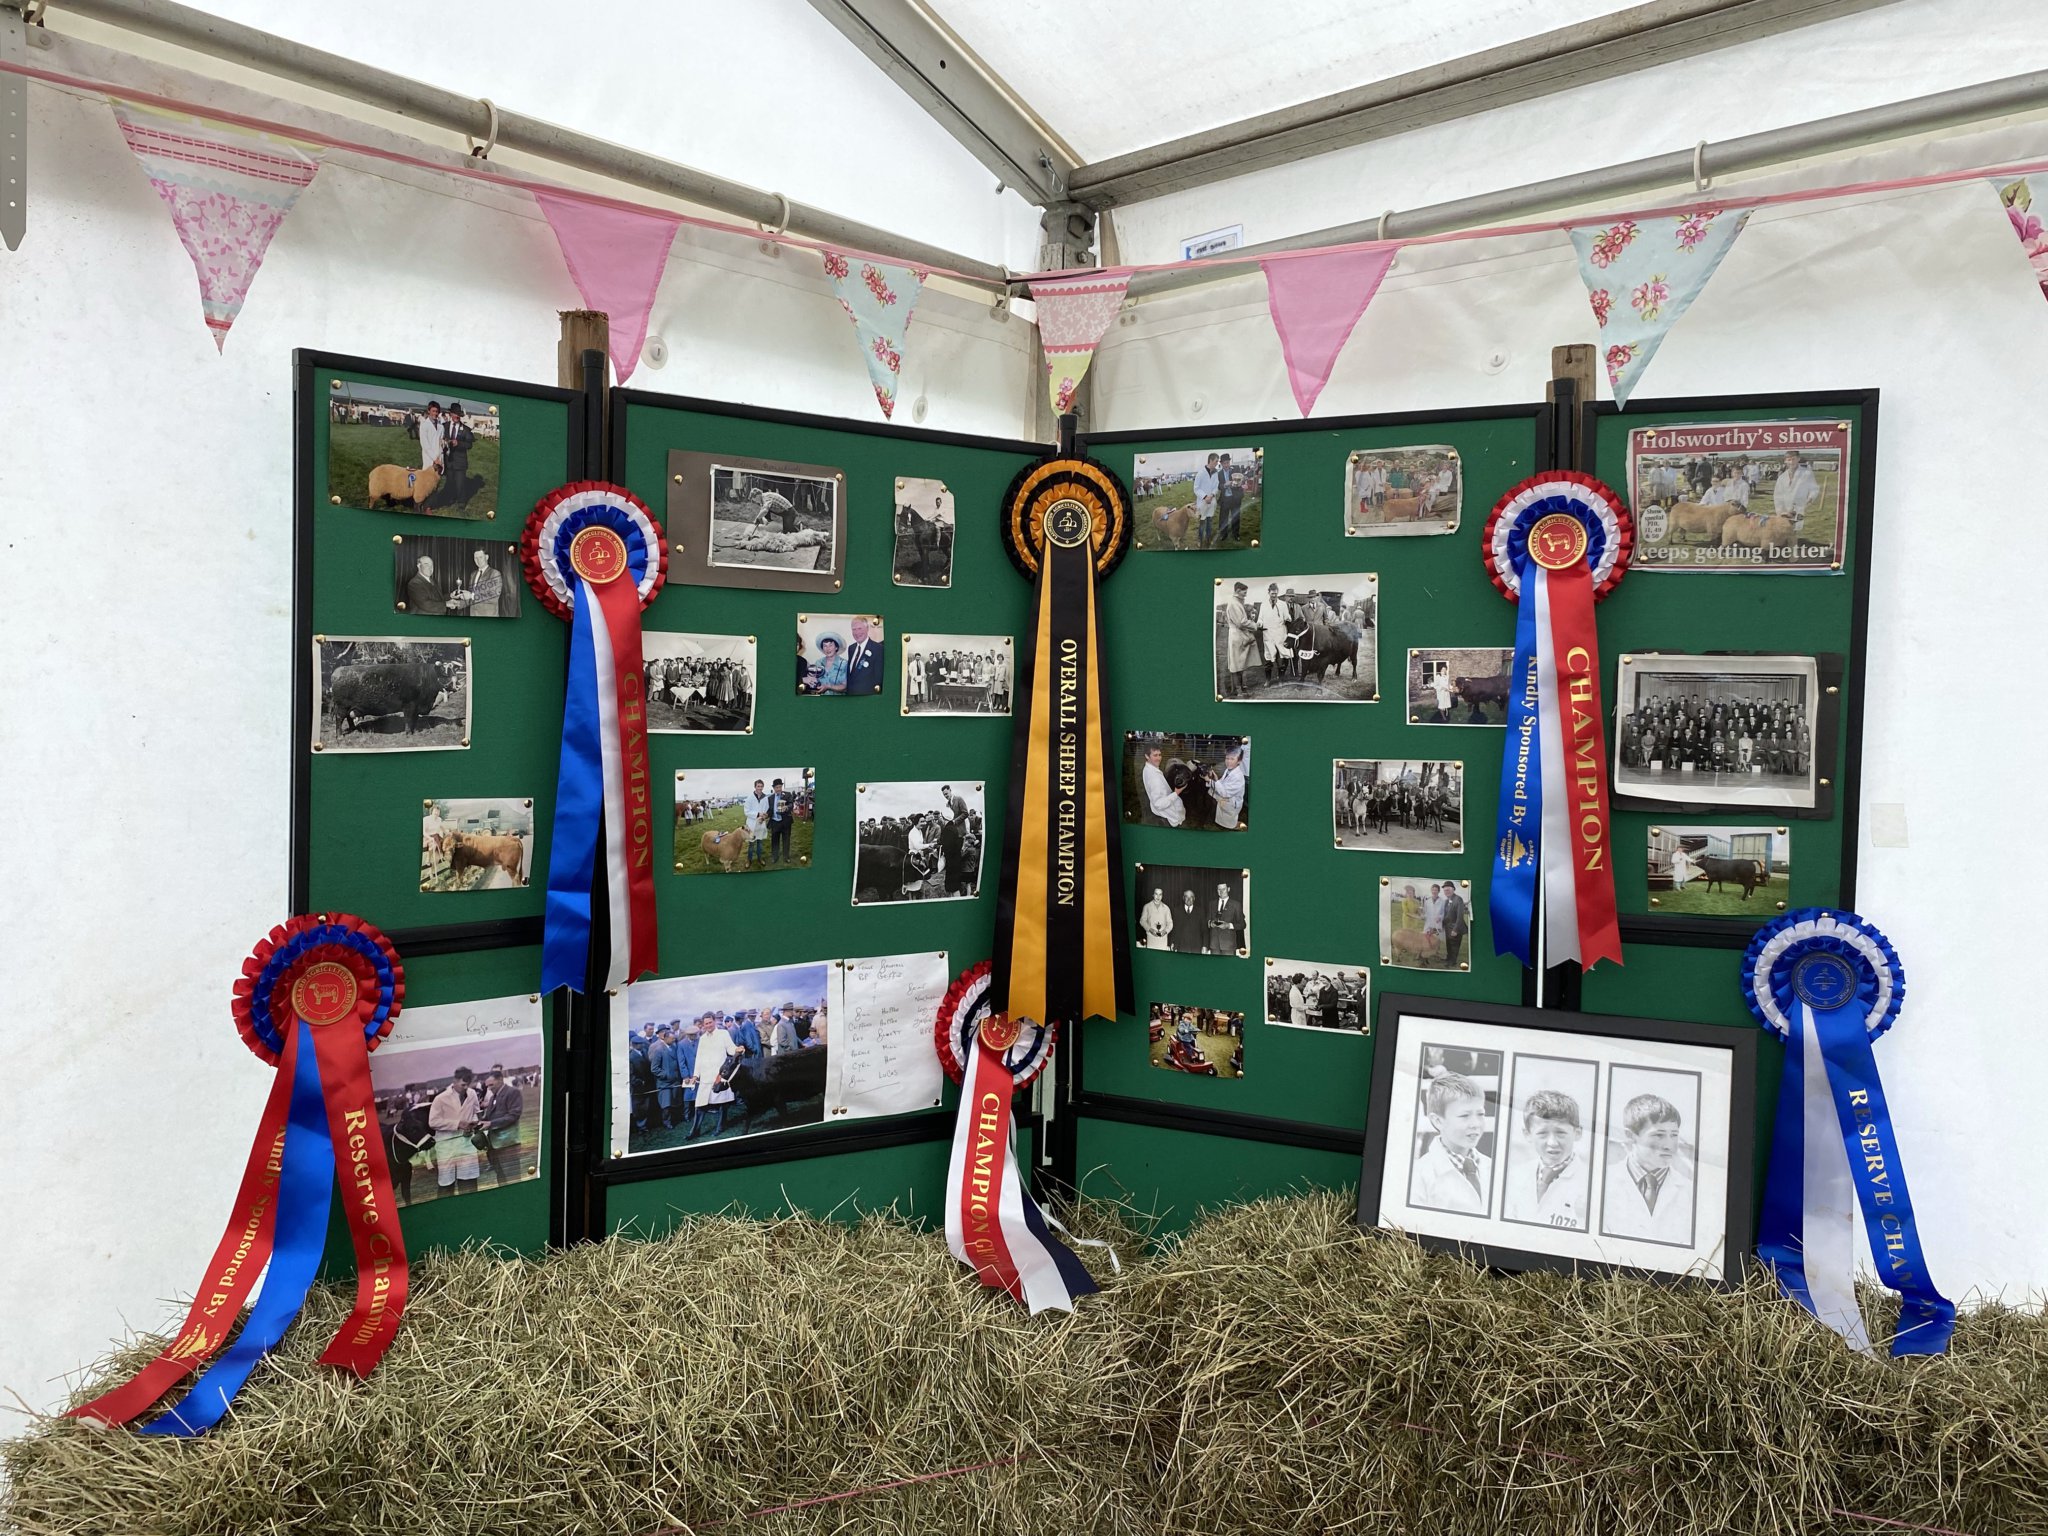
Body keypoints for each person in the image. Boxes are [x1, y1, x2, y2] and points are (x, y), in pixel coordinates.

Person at [1603, 1093, 1695, 1245]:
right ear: (1631, 1136)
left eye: (1674, 1135)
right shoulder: (1602, 1183)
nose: (1668, 1145)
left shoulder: (1690, 1191)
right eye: (1658, 1135)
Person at [1502, 1089, 1588, 1229]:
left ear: (1577, 1133)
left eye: (1561, 1133)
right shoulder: (1513, 1176)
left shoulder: (1589, 1183)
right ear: (1528, 1134)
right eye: (1542, 1133)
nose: (1552, 1143)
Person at [1408, 1073, 1492, 1214]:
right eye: (1464, 1116)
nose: (1475, 1124)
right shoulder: (1419, 1176)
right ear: (1438, 1121)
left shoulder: (1492, 1167)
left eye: (1480, 1114)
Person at [428, 1066, 481, 1196]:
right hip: (447, 1146)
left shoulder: (472, 1094)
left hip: (467, 1143)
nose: (465, 1088)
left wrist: (472, 1124)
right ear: (455, 1080)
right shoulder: (440, 1098)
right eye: (463, 1084)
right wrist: (457, 1124)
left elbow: (475, 1112)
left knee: (469, 1183)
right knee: (446, 1184)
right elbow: (433, 1122)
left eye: (468, 1085)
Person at [686, 1015, 741, 1139]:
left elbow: (731, 1049)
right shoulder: (702, 1038)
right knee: (700, 1104)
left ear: (714, 1022)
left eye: (710, 1022)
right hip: (705, 1076)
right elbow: (699, 1058)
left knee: (722, 1103)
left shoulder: (723, 1034)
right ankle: (695, 1131)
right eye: (706, 1024)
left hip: (719, 1075)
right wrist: (695, 1075)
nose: (708, 1025)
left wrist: (737, 1049)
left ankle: (720, 1127)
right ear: (703, 1025)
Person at [479, 1068, 524, 1187]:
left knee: (513, 1179)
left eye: (491, 1085)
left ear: (500, 1079)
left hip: (507, 1144)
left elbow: (514, 1115)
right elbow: (488, 1117)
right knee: (502, 1179)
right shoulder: (493, 1097)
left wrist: (491, 1124)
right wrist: (477, 1123)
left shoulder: (512, 1092)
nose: (489, 1088)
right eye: (487, 1086)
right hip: (494, 1146)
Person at [1222, 583, 1259, 697]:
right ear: (1238, 590)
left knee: (1239, 664)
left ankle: (1241, 689)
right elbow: (1241, 622)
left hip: (1239, 636)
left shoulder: (1237, 603)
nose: (1245, 594)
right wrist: (1254, 625)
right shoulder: (1234, 604)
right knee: (1236, 665)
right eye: (1244, 592)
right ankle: (1238, 691)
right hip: (1237, 637)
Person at [434, 401, 474, 508]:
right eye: (455, 413)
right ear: (450, 414)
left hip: (460, 462)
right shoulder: (443, 426)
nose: (457, 416)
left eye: (459, 414)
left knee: (460, 483)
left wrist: (459, 443)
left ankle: (461, 501)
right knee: (449, 482)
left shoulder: (465, 430)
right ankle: (450, 499)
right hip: (448, 461)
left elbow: (469, 444)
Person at [448, 546, 504, 617]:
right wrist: (457, 603)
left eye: (480, 557)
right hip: (474, 616)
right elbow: (472, 599)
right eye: (475, 558)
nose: (478, 560)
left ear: (486, 557)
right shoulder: (473, 574)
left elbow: (494, 597)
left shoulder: (495, 573)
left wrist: (471, 595)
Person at [1140, 744, 1187, 827]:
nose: (1159, 758)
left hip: (1164, 812)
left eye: (1159, 755)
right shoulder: (1154, 778)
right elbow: (1158, 804)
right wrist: (1176, 793)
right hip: (1169, 818)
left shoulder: (1148, 768)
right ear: (1147, 756)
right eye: (1155, 755)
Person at [1772, 449, 1821, 526]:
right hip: (1784, 510)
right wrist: (1780, 512)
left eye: (1793, 459)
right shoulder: (1782, 477)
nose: (1791, 462)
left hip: (1799, 508)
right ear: (1785, 461)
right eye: (1789, 460)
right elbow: (1777, 495)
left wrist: (1810, 498)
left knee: (1796, 529)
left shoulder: (1807, 474)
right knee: (1784, 530)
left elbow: (1814, 489)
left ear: (1798, 459)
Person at [1257, 584, 1291, 683]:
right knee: (1268, 658)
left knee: (1281, 658)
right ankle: (1268, 680)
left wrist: (1288, 618)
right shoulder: (1263, 605)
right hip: (1268, 634)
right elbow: (1260, 618)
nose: (1274, 596)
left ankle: (1280, 679)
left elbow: (1287, 616)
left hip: (1280, 634)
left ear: (1278, 593)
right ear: (1268, 593)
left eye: (1275, 594)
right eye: (1272, 594)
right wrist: (1260, 623)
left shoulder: (1283, 604)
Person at [844, 616, 883, 696]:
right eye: (854, 629)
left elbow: (878, 680)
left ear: (867, 628)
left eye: (860, 628)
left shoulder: (878, 649)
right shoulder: (851, 648)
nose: (857, 632)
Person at [1210, 745, 1246, 830]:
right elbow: (1222, 783)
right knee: (1223, 819)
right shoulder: (1229, 770)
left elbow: (1225, 793)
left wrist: (1213, 780)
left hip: (1231, 803)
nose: (1228, 762)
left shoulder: (1238, 777)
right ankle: (1227, 825)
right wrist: (1211, 780)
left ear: (1239, 761)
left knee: (1229, 823)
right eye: (1227, 758)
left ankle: (1234, 827)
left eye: (1232, 759)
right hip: (1227, 801)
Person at [1191, 452, 1221, 547]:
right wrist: (1205, 497)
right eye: (1216, 461)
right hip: (1202, 502)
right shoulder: (1201, 473)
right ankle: (1200, 539)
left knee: (1210, 521)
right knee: (1202, 522)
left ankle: (1208, 538)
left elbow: (1216, 486)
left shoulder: (1215, 473)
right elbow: (1196, 488)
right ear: (1211, 460)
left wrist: (1212, 495)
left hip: (1211, 501)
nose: (1217, 463)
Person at [1438, 882, 1470, 970]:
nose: (1446, 892)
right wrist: (1440, 923)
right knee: (1449, 944)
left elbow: (1460, 916)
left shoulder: (1458, 899)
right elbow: (1446, 915)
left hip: (1456, 927)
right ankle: (1448, 958)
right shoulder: (1446, 901)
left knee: (1454, 945)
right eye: (1445, 890)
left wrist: (1455, 929)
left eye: (1448, 890)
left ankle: (1453, 961)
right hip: (1448, 927)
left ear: (1453, 889)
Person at [1206, 880, 1242, 955]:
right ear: (1217, 890)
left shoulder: (1236, 905)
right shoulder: (1211, 904)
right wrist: (1210, 923)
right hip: (1214, 945)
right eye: (1219, 889)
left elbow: (1242, 924)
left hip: (1228, 945)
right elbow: (1207, 920)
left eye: (1223, 889)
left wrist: (1228, 925)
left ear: (1228, 889)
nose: (1221, 891)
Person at [767, 777, 795, 864]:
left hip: (786, 822)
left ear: (781, 787)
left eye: (780, 786)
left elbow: (791, 804)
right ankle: (775, 857)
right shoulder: (770, 798)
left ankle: (786, 857)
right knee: (775, 841)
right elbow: (770, 810)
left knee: (786, 840)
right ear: (774, 788)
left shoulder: (787, 794)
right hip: (775, 822)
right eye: (776, 787)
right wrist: (766, 815)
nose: (778, 789)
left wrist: (787, 807)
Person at [744, 778, 771, 868]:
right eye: (758, 786)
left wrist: (764, 817)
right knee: (751, 844)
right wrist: (758, 814)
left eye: (761, 786)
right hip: (752, 824)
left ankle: (760, 858)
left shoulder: (765, 797)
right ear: (755, 787)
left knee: (760, 842)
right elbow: (746, 812)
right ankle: (749, 859)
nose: (760, 788)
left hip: (761, 823)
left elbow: (766, 809)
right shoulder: (749, 798)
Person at [416, 399, 444, 480]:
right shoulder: (424, 425)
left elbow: (441, 443)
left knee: (436, 483)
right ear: (429, 411)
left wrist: (439, 458)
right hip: (429, 459)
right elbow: (425, 445)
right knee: (426, 484)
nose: (435, 413)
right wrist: (435, 458)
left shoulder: (441, 427)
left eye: (437, 411)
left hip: (439, 460)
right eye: (433, 411)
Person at [1172, 888, 1202, 953]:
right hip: (1181, 946)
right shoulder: (1176, 911)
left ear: (1194, 898)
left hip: (1196, 947)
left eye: (1191, 897)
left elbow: (1204, 930)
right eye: (1186, 897)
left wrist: (1205, 946)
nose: (1189, 899)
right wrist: (1172, 942)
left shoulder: (1200, 911)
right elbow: (1174, 929)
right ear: (1183, 898)